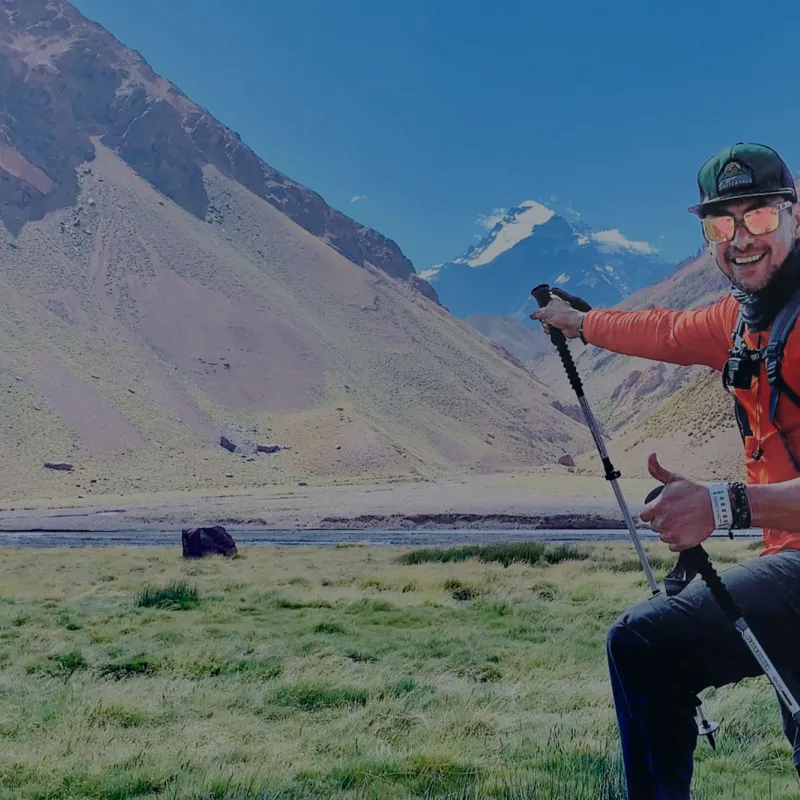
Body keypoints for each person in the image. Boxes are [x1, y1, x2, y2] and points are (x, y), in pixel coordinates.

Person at [531, 142, 800, 799]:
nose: (741, 238)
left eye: (759, 218)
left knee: (645, 643)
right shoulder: (740, 322)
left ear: (795, 217)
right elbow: (665, 330)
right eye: (721, 224)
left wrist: (723, 504)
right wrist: (582, 323)